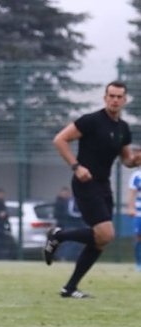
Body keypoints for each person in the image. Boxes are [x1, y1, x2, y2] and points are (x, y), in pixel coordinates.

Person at [45, 81, 141, 297]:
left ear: (125, 100)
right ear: (105, 98)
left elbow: (127, 160)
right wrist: (76, 166)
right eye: (111, 96)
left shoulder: (123, 128)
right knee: (105, 233)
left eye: (119, 97)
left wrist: (137, 160)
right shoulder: (91, 121)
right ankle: (58, 235)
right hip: (85, 183)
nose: (115, 100)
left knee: (101, 240)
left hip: (103, 185)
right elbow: (60, 139)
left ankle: (69, 288)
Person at [129, 169, 141, 271]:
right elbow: (132, 193)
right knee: (138, 237)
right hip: (139, 212)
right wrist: (131, 208)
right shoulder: (136, 175)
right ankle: (139, 263)